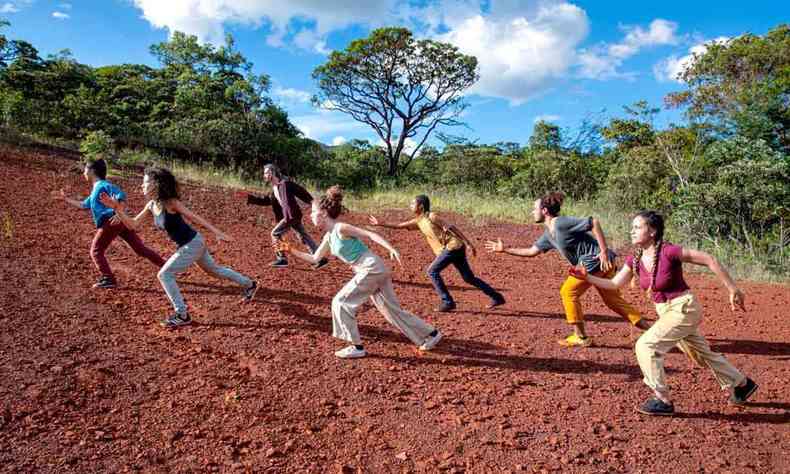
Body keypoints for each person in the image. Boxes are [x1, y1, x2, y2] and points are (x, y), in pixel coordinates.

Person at [568, 210, 758, 415]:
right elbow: (614, 284)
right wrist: (587, 278)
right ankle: (742, 384)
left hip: (683, 308)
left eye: (638, 227)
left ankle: (663, 400)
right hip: (666, 312)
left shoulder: (670, 251)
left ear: (653, 231)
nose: (632, 231)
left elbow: (709, 259)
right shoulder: (635, 258)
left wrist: (733, 289)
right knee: (702, 355)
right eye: (632, 227)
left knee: (646, 345)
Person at [277, 186, 442, 359]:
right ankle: (431, 334)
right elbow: (315, 258)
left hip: (371, 269)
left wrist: (391, 248)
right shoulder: (329, 236)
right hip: (374, 270)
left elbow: (369, 234)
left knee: (340, 302)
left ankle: (356, 346)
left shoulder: (341, 228)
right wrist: (291, 250)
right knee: (392, 311)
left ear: (324, 213)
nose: (310, 216)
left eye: (313, 212)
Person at [485, 191, 650, 347]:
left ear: (544, 210)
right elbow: (531, 251)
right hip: (600, 264)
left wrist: (604, 251)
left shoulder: (560, 223)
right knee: (613, 302)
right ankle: (652, 332)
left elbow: (593, 222)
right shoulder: (548, 234)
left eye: (534, 209)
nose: (531, 212)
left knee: (568, 291)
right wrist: (505, 249)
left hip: (594, 260)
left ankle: (580, 336)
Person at [101, 167, 259, 328]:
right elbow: (133, 224)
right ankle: (250, 284)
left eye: (145, 182)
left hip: (193, 244)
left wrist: (217, 232)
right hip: (190, 244)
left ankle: (182, 314)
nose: (142, 186)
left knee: (164, 274)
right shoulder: (151, 205)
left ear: (156, 184)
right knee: (214, 271)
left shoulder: (171, 203)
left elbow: (194, 217)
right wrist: (117, 209)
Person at [368, 195, 504, 312]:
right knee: (468, 278)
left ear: (420, 206)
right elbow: (399, 226)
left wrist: (469, 244)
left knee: (432, 271)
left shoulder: (432, 216)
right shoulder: (418, 221)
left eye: (412, 203)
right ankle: (497, 297)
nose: (410, 205)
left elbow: (452, 227)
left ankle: (448, 302)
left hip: (453, 247)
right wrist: (381, 223)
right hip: (454, 248)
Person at [52, 158, 165, 289]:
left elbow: (121, 196)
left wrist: (118, 213)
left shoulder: (103, 185)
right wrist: (65, 199)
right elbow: (84, 205)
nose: (83, 172)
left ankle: (108, 278)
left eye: (85, 169)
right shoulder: (96, 189)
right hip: (118, 222)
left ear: (92, 171)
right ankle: (166, 266)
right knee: (139, 249)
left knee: (96, 251)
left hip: (110, 222)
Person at [237, 163, 327, 269]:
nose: (264, 175)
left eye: (265, 173)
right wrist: (249, 197)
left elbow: (300, 191)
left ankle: (282, 259)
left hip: (291, 215)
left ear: (272, 172)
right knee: (303, 235)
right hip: (292, 216)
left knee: (275, 233)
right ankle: (319, 258)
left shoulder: (285, 184)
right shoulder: (275, 188)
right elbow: (265, 201)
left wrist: (313, 202)